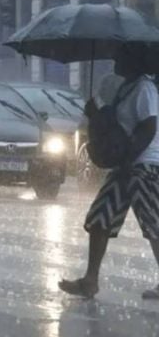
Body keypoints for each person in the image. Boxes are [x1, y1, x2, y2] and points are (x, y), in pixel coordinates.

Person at [60, 49, 159, 299]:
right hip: (125, 166)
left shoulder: (144, 89)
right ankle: (90, 280)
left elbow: (149, 127)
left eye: (121, 57)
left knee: (153, 223)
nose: (116, 61)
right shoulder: (125, 88)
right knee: (100, 218)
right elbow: (116, 126)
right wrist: (96, 112)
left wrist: (129, 158)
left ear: (135, 61)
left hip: (144, 165)